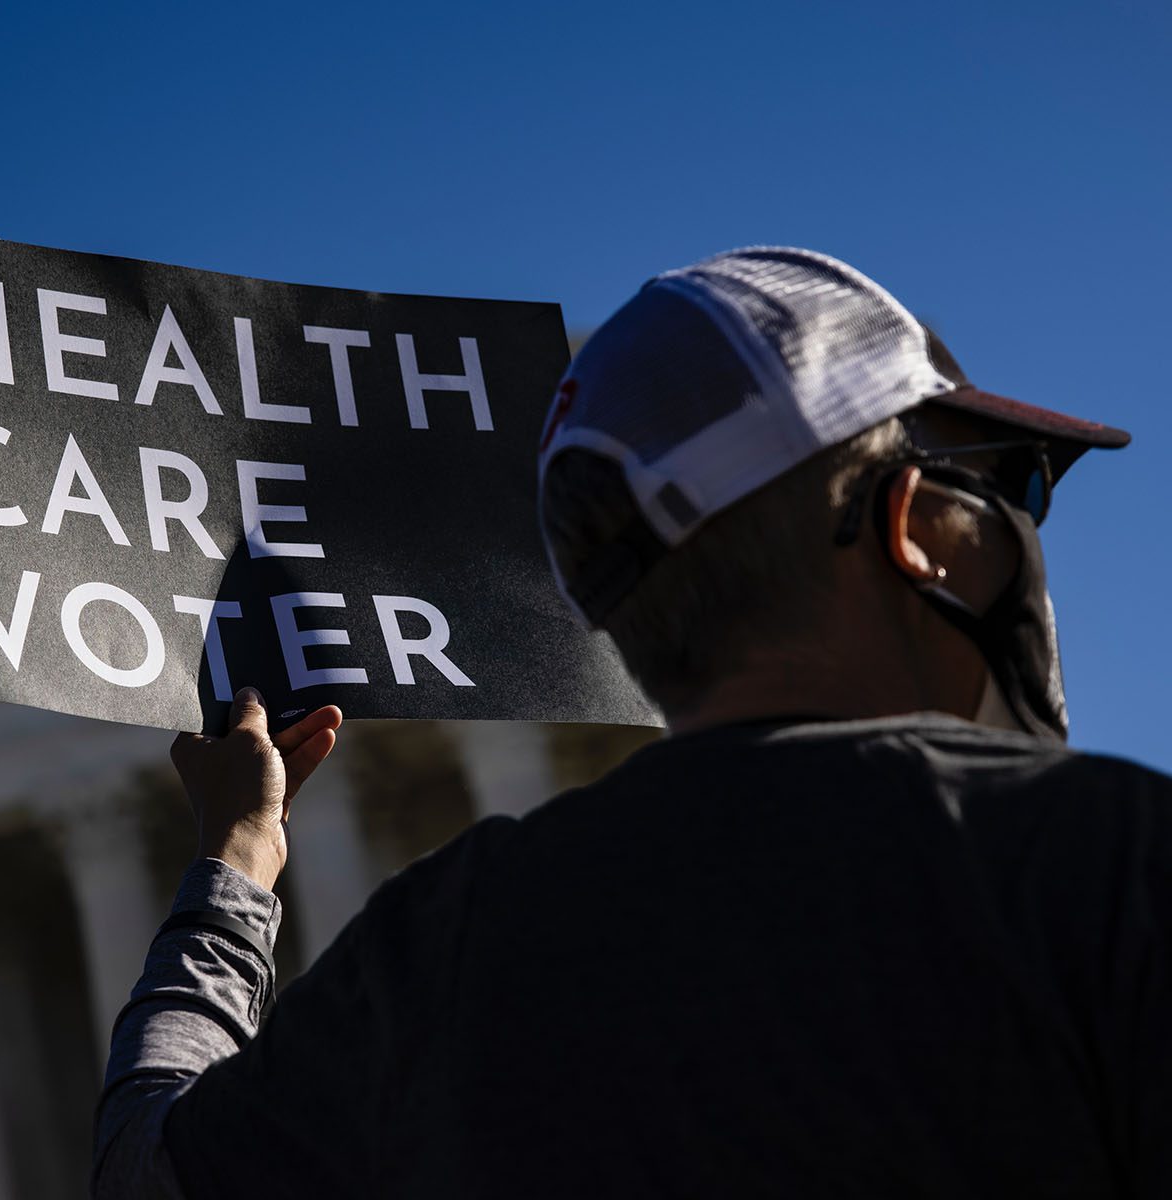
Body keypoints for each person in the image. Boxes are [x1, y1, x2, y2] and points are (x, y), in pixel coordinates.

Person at [91, 247, 1169, 1197]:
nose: (1021, 529)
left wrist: (233, 868)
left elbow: (151, 1171)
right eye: (1010, 486)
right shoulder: (1104, 864)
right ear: (918, 521)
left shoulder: (441, 952)